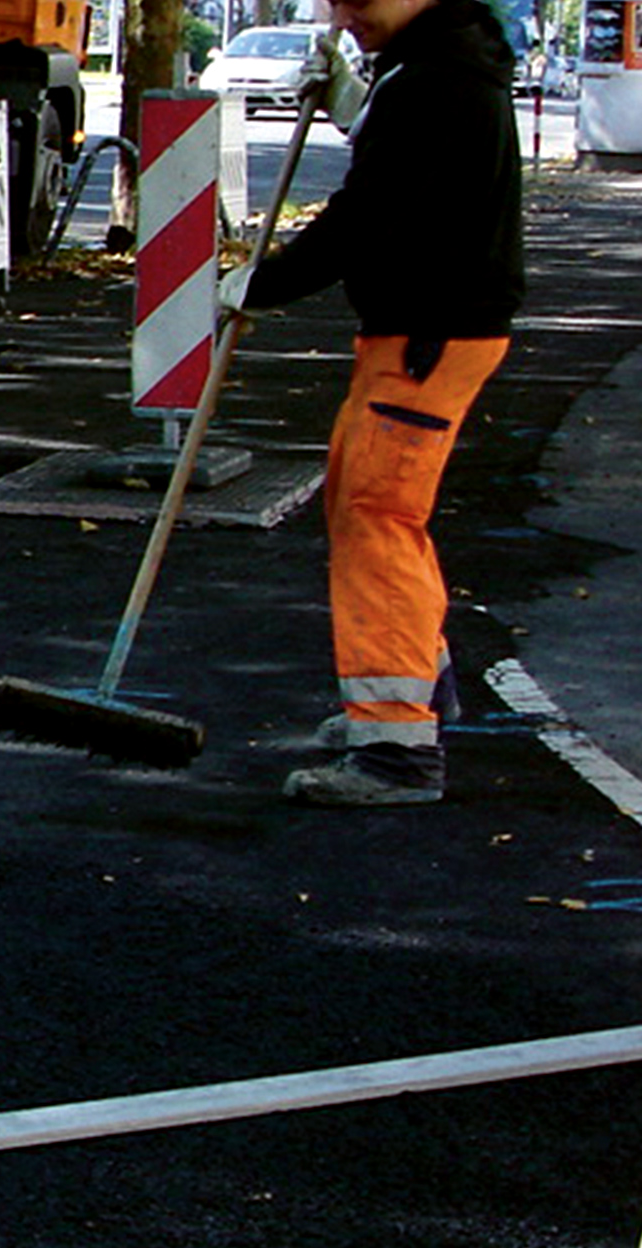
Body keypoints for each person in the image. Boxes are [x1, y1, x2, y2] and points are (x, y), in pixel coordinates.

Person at [233, 0, 522, 806]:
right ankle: (415, 697)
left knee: (377, 521)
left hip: (428, 335)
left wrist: (261, 285)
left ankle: (396, 746)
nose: (343, 12)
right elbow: (413, 162)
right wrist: (357, 104)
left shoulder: (436, 79)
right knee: (374, 511)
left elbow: (367, 212)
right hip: (427, 330)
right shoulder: (442, 66)